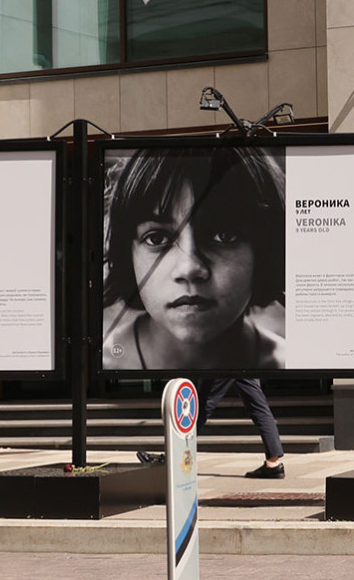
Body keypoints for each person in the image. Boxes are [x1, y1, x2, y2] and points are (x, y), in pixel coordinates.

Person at [101, 146, 285, 370]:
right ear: (126, 254)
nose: (188, 268)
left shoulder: (292, 367)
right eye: (156, 238)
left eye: (223, 236)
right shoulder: (101, 367)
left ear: (264, 249)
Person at [138, 377, 286, 478]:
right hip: (246, 356)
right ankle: (273, 464)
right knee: (259, 408)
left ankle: (172, 456)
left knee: (201, 407)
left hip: (224, 356)